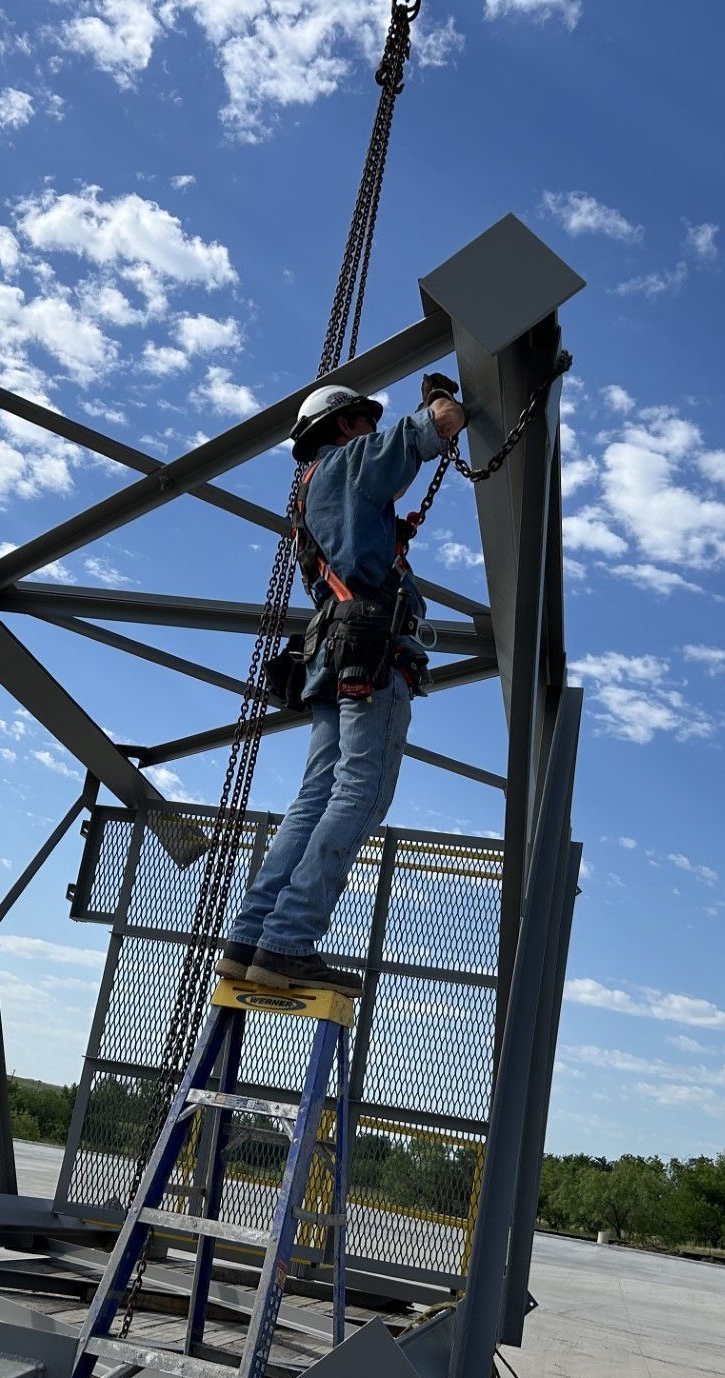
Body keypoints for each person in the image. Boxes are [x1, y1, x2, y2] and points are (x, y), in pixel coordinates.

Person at [215, 380, 466, 996]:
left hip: (331, 651)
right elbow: (439, 422)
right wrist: (440, 398)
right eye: (361, 420)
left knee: (316, 794)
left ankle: (249, 938)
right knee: (362, 788)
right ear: (344, 426)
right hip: (371, 648)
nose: (367, 430)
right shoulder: (351, 464)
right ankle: (291, 940)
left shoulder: (307, 492)